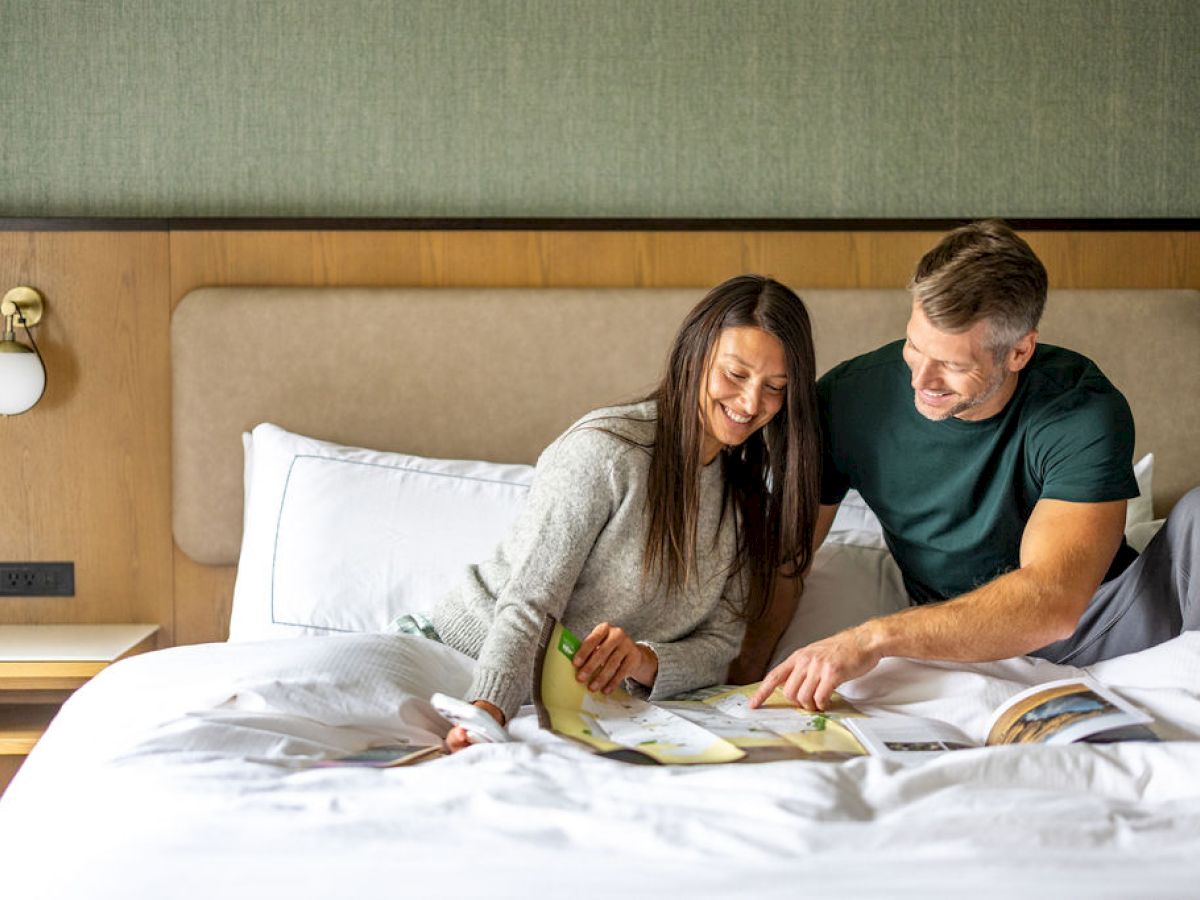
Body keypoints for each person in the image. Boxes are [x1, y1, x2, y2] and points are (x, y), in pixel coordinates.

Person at [742, 219, 1199, 712]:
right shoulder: (848, 399)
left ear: (1020, 350)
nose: (922, 379)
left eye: (954, 365)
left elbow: (1052, 600)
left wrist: (872, 639)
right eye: (914, 346)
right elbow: (787, 558)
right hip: (951, 646)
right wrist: (740, 677)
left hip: (1105, 625)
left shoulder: (1080, 409)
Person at [426, 274, 822, 751]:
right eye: (735, 375)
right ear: (693, 356)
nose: (751, 402)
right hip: (458, 661)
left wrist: (641, 660)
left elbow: (720, 646)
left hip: (571, 702)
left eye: (775, 387)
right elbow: (532, 600)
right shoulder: (607, 452)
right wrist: (487, 708)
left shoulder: (742, 498)